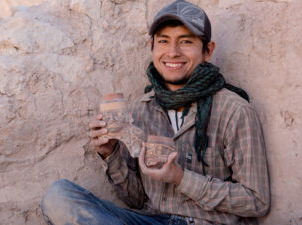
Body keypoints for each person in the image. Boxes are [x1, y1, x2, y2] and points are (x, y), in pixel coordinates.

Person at [40, 0, 270, 224]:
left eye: (186, 41)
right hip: (154, 219)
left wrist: (180, 178)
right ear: (152, 47)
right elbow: (136, 199)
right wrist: (111, 154)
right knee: (60, 196)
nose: (172, 52)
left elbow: (256, 201)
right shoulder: (142, 109)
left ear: (207, 51)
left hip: (205, 221)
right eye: (163, 41)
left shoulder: (234, 110)